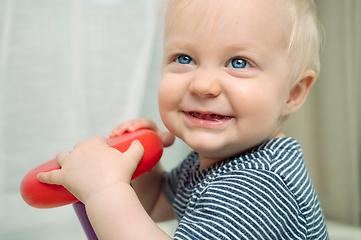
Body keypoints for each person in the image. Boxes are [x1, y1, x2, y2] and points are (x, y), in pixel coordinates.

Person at [38, 0, 329, 239]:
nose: (202, 85)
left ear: (292, 93)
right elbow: (154, 207)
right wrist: (137, 166)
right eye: (184, 58)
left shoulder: (258, 185)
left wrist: (104, 190)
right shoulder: (214, 162)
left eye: (238, 62)